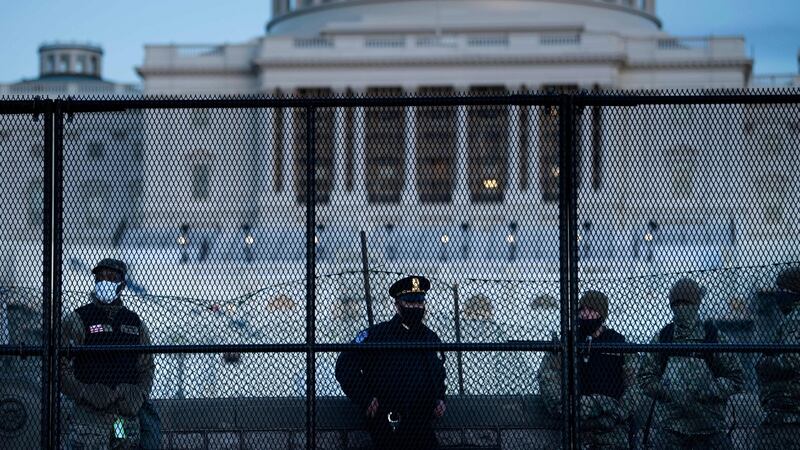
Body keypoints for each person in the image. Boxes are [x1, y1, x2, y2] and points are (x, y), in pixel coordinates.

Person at [335, 275, 446, 449]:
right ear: (398, 305)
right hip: (389, 418)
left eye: (419, 303)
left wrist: (440, 398)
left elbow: (438, 373)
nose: (416, 307)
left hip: (420, 418)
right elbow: (345, 365)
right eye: (410, 303)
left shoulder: (429, 337)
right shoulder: (377, 335)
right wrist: (365, 398)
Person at [638, 277, 744, 449]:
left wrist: (707, 391)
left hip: (709, 428)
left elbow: (736, 377)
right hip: (671, 428)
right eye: (677, 304)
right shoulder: (664, 337)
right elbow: (645, 377)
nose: (681, 308)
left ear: (696, 304)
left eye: (686, 303)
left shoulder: (712, 336)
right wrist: (669, 392)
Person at [60, 258, 155, 450]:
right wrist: (85, 392)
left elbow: (146, 366)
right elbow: (59, 367)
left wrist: (138, 394)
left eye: (112, 277)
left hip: (122, 421)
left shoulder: (135, 323)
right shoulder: (78, 319)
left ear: (122, 284)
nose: (105, 281)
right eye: (100, 277)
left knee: (123, 443)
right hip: (89, 420)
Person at [537, 290, 640, 449]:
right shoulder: (568, 340)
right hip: (575, 427)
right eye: (582, 310)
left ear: (601, 314)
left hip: (612, 429)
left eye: (591, 311)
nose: (585, 314)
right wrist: (565, 407)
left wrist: (616, 413)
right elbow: (548, 376)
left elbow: (635, 384)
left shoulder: (618, 342)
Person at [756, 266, 800, 449]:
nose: (777, 295)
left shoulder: (795, 318)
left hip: (789, 407)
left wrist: (764, 363)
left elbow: (792, 359)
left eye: (782, 290)